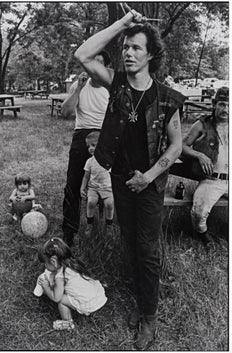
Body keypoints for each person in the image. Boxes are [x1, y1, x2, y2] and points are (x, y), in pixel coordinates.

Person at [74, 9, 186, 350]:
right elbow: (82, 54)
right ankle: (141, 299)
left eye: (136, 47)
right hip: (121, 179)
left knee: (148, 248)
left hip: (149, 184)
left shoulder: (168, 98)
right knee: (131, 243)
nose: (128, 52)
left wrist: (149, 175)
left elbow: (177, 144)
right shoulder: (117, 83)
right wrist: (123, 24)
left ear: (150, 54)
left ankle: (149, 316)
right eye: (125, 47)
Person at [61, 51, 111, 247]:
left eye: (99, 64)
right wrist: (78, 89)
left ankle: (104, 223)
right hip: (82, 134)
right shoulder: (79, 85)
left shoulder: (110, 88)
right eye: (90, 63)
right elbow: (65, 113)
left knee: (105, 181)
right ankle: (69, 230)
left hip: (105, 135)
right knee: (73, 183)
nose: (93, 68)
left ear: (106, 67)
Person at [182, 86, 229, 246]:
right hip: (212, 179)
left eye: (229, 105)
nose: (226, 109)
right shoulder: (202, 124)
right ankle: (203, 235)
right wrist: (200, 155)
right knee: (198, 213)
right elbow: (181, 146)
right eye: (222, 104)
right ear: (214, 104)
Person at [37, 237, 107, 330]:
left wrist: (46, 287)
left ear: (53, 261)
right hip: (99, 294)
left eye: (45, 263)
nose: (45, 266)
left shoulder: (60, 276)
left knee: (62, 300)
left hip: (89, 303)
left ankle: (68, 324)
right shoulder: (71, 263)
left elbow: (56, 297)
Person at [80, 131, 114, 238]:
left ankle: (109, 225)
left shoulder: (109, 160)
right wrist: (82, 187)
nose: (90, 148)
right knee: (90, 202)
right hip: (93, 188)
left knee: (109, 204)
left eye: (93, 145)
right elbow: (86, 176)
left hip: (107, 188)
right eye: (88, 146)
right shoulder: (90, 161)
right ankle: (89, 224)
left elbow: (114, 174)